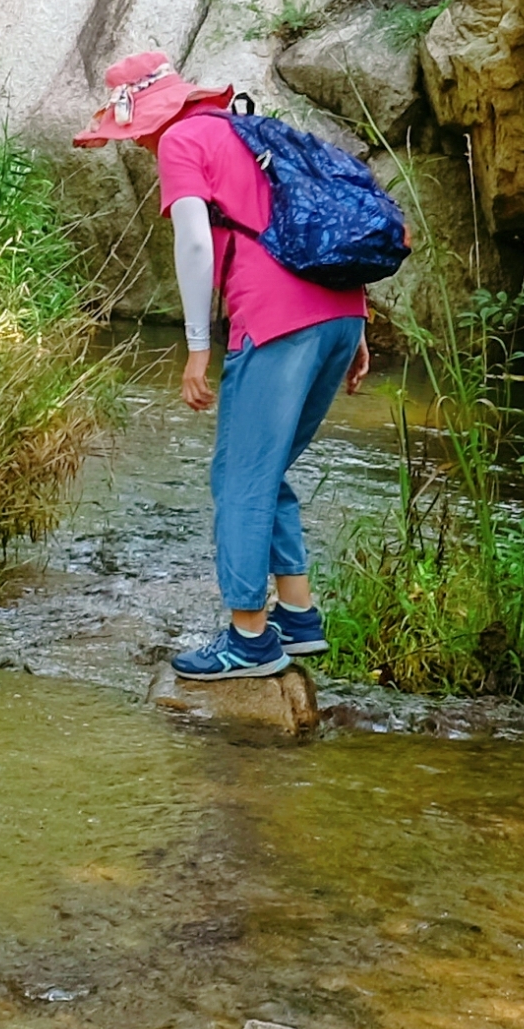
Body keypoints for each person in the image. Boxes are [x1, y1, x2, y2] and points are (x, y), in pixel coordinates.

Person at [73, 52, 370, 679]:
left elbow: (194, 241)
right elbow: (315, 213)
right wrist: (357, 323)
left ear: (142, 118)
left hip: (276, 318)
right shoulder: (247, 127)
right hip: (342, 311)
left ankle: (248, 639)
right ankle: (298, 615)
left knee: (237, 479)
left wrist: (198, 344)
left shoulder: (180, 139)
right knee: (268, 467)